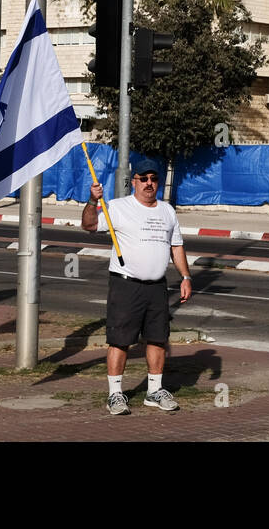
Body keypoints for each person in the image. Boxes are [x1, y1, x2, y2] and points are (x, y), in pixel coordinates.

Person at [82, 160, 193, 416]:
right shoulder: (118, 208)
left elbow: (176, 247)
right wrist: (92, 201)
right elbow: (88, 225)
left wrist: (186, 277)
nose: (149, 183)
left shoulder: (167, 211)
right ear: (134, 181)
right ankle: (115, 395)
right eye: (143, 178)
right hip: (126, 285)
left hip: (157, 287)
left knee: (157, 338)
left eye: (154, 178)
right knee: (120, 341)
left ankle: (154, 391)